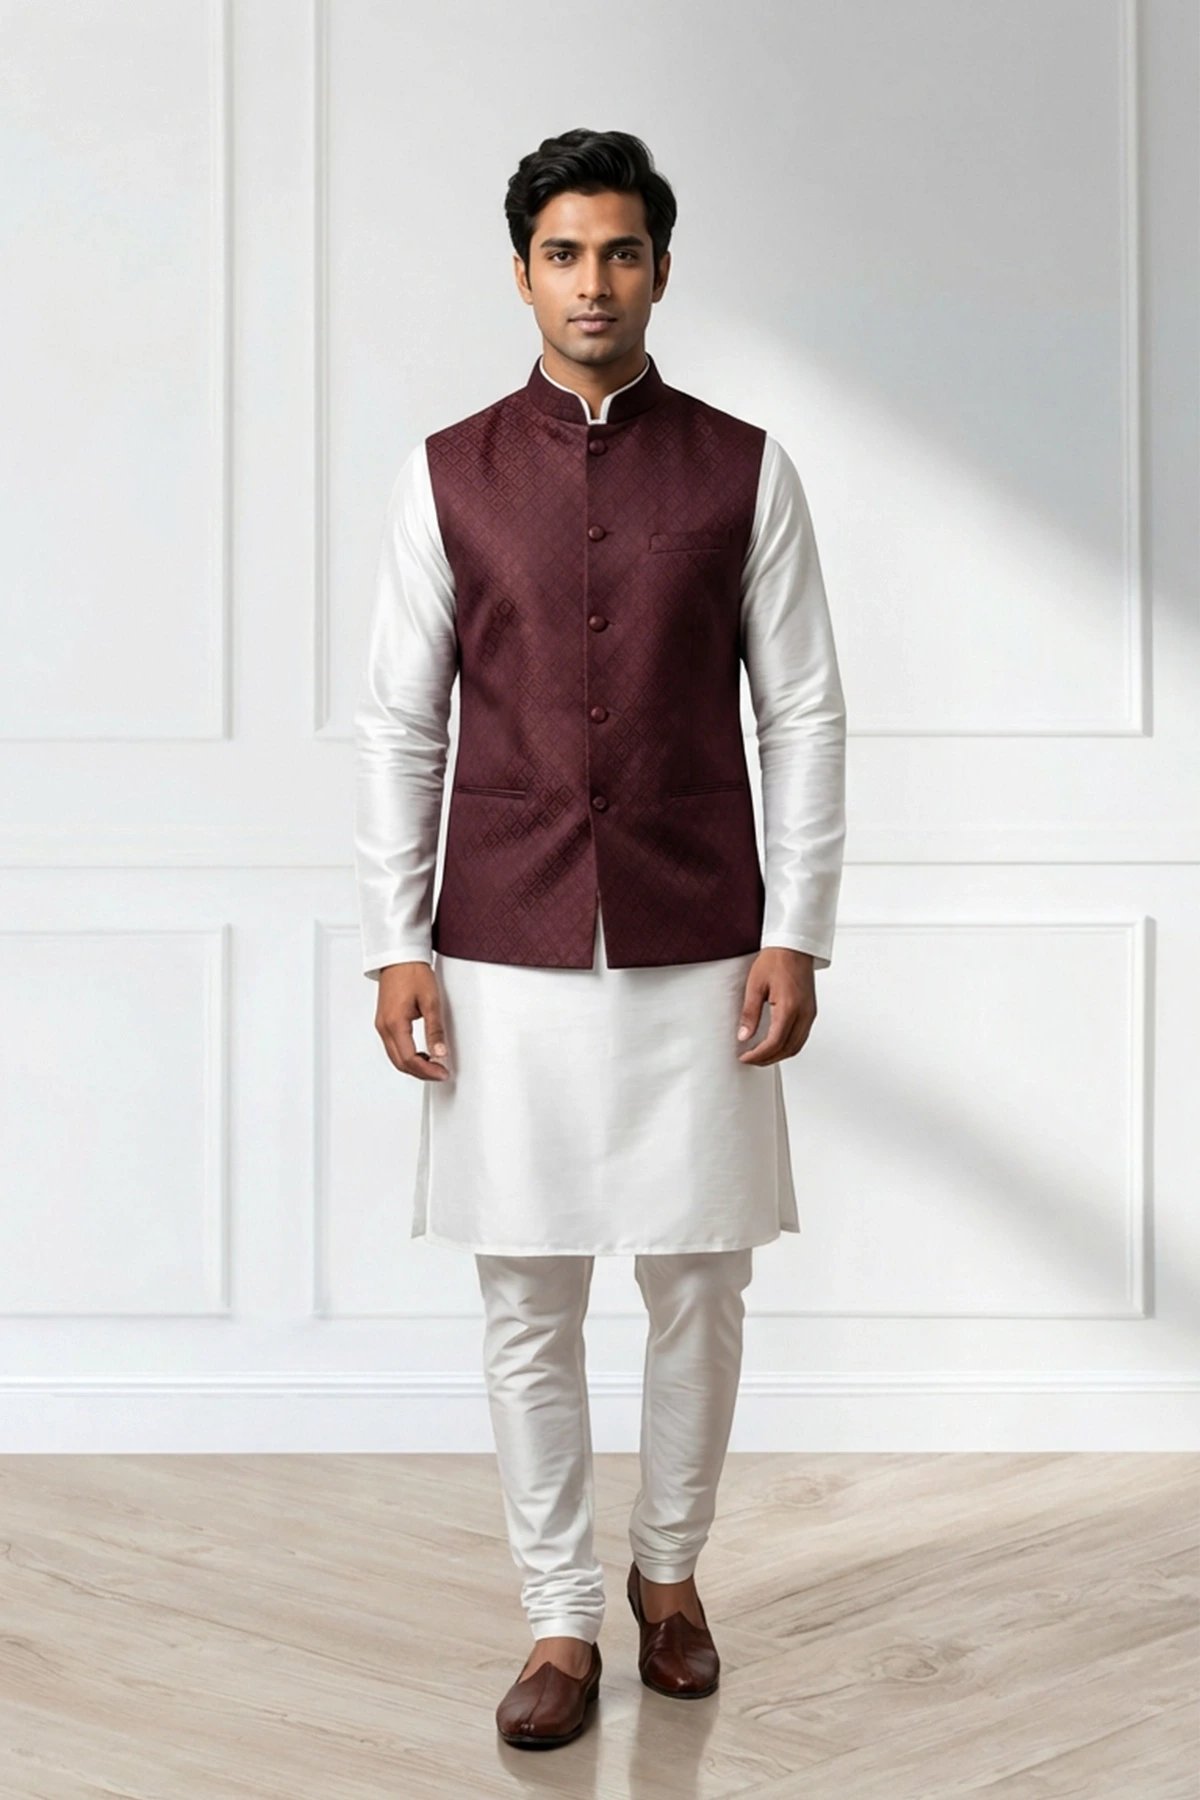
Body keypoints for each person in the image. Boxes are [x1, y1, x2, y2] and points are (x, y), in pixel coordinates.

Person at [353, 127, 847, 1749]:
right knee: (528, 1291)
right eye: (563, 253)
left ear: (661, 270)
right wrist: (396, 939)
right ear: (522, 274)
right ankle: (560, 1616)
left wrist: (799, 927)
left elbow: (803, 711)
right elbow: (399, 723)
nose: (593, 282)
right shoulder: (446, 473)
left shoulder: (746, 468)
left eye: (620, 252)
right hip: (503, 938)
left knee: (702, 1278)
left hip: (703, 931)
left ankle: (670, 1577)